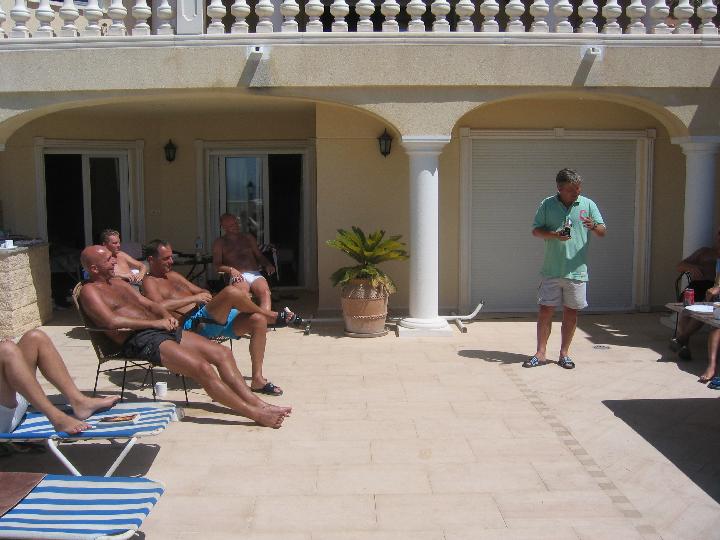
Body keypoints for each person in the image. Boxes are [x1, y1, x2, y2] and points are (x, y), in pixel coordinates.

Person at [78, 245, 291, 428]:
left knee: (222, 353)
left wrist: (164, 316)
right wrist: (155, 323)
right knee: (202, 368)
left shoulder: (119, 283)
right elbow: (111, 322)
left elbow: (149, 304)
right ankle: (255, 414)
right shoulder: (90, 292)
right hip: (138, 339)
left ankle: (259, 404)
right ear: (94, 268)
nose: (115, 260)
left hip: (160, 330)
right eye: (109, 259)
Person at [142, 239, 300, 396]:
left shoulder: (173, 276)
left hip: (209, 315)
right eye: (166, 258)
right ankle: (272, 315)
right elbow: (158, 306)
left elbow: (200, 291)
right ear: (151, 259)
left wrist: (205, 295)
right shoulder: (149, 282)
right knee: (231, 292)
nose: (171, 261)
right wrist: (193, 298)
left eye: (171, 257)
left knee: (258, 320)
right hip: (193, 325)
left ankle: (257, 380)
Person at [524, 168, 606, 370]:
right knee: (545, 311)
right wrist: (555, 235)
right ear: (560, 188)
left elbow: (602, 231)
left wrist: (593, 226)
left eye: (578, 188)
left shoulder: (588, 204)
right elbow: (536, 231)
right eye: (572, 189)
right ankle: (540, 353)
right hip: (552, 270)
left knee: (571, 313)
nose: (577, 192)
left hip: (577, 272)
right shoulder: (547, 204)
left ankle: (564, 354)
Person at [0, 329, 119, 435]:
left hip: (13, 400)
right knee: (6, 350)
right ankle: (57, 419)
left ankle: (80, 402)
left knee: (35, 337)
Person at [670, 227, 720, 362]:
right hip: (697, 287)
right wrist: (691, 267)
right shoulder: (705, 252)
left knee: (703, 312)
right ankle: (684, 344)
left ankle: (682, 339)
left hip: (713, 288)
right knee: (686, 311)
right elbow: (679, 266)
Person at [213, 214, 276, 311]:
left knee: (265, 292)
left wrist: (267, 264)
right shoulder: (220, 242)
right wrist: (230, 270)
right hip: (237, 274)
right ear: (224, 227)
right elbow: (217, 265)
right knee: (243, 295)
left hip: (254, 273)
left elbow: (259, 256)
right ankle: (252, 318)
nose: (236, 226)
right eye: (231, 225)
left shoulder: (248, 237)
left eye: (236, 223)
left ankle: (265, 317)